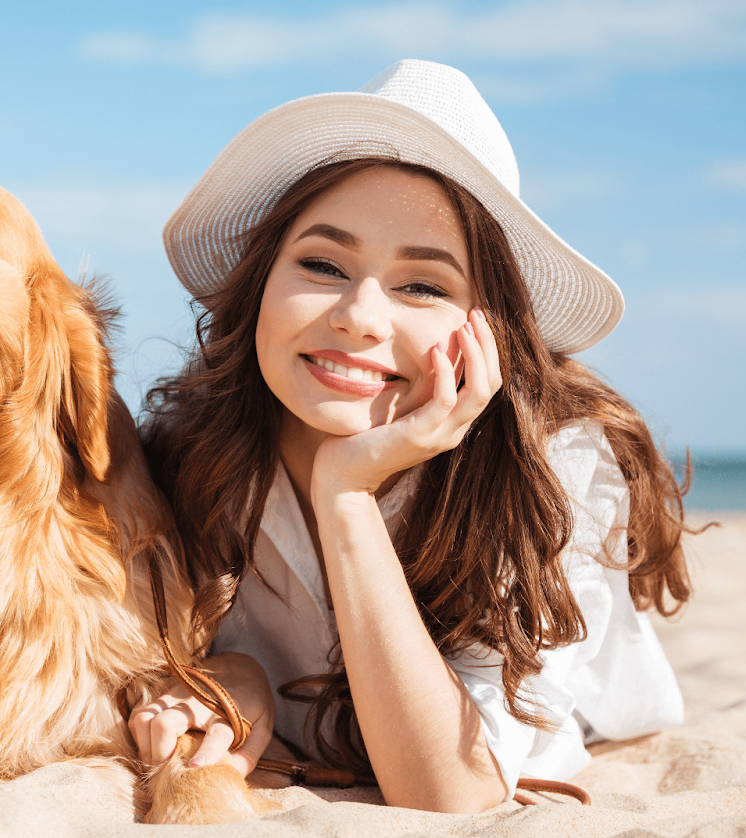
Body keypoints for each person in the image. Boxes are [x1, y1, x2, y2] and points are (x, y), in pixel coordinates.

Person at [127, 59, 698, 813]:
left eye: (422, 285)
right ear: (263, 279)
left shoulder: (550, 465)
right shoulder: (193, 445)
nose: (360, 317)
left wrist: (346, 494)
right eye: (322, 264)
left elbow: (448, 793)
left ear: (487, 326)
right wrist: (236, 676)